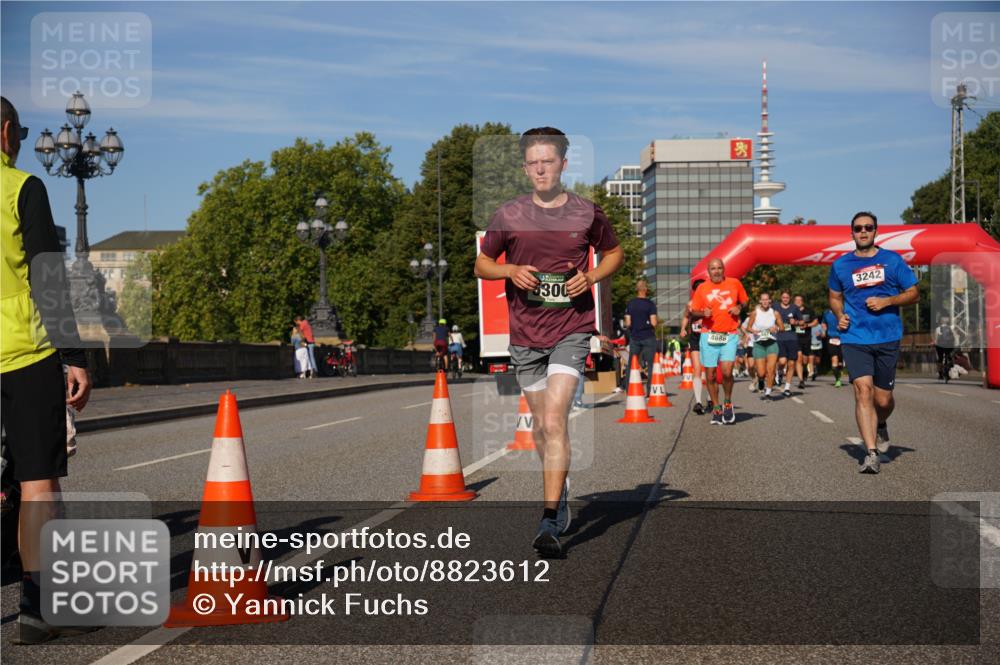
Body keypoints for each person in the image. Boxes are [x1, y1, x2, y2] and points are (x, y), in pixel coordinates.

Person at [475, 127, 623, 557]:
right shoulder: (508, 214)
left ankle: (548, 520)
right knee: (542, 427)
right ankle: (561, 484)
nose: (541, 169)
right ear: (525, 168)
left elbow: (615, 253)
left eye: (549, 161)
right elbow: (482, 264)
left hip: (571, 329)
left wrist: (590, 277)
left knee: (555, 421)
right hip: (525, 335)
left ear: (563, 164)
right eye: (534, 162)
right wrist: (509, 271)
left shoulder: (586, 213)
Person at [1, 97, 94, 644]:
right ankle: (37, 609)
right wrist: (74, 356)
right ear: (6, 132)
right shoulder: (21, 187)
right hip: (23, 353)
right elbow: (47, 279)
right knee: (38, 483)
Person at [828, 211, 918, 474]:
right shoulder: (840, 265)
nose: (863, 232)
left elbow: (914, 293)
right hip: (855, 336)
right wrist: (839, 315)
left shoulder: (892, 260)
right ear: (852, 233)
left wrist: (887, 301)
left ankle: (880, 423)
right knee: (863, 390)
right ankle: (871, 453)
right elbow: (834, 297)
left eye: (868, 227)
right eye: (858, 228)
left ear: (876, 231)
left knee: (883, 400)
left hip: (887, 335)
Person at [688, 258, 748, 425]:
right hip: (708, 335)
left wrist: (739, 307)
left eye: (719, 268)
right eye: (713, 269)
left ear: (723, 269)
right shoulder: (702, 288)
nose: (716, 271)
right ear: (708, 272)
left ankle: (727, 402)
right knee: (710, 375)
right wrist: (703, 314)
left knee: (727, 372)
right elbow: (693, 312)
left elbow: (745, 301)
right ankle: (716, 408)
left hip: (729, 334)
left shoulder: (734, 283)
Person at [744, 292, 783, 400]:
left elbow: (782, 328)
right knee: (761, 372)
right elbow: (748, 327)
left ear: (770, 301)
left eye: (767, 299)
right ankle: (760, 379)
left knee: (771, 370)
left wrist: (776, 328)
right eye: (763, 300)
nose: (765, 302)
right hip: (759, 344)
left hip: (772, 343)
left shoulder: (775, 313)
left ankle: (768, 393)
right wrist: (754, 331)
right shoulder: (755, 313)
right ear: (760, 301)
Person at [679, 279, 709, 414]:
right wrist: (683, 329)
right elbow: (686, 317)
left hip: (708, 336)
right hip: (695, 337)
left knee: (709, 369)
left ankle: (710, 399)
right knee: (697, 368)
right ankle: (698, 402)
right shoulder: (690, 304)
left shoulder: (710, 302)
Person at [624, 279, 658, 396]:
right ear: (645, 290)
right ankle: (650, 391)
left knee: (632, 364)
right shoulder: (650, 304)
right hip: (648, 336)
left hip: (635, 337)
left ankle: (629, 390)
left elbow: (628, 323)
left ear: (637, 290)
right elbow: (654, 323)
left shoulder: (630, 304)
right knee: (651, 364)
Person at [774, 291, 800, 396]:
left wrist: (796, 322)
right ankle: (779, 372)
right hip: (780, 338)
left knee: (792, 363)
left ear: (790, 298)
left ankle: (787, 387)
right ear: (781, 298)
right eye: (783, 297)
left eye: (787, 297)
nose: (785, 299)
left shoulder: (794, 308)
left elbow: (802, 322)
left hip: (792, 338)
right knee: (782, 361)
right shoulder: (775, 306)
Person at [791, 295, 817, 390]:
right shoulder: (791, 311)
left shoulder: (809, 311)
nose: (798, 301)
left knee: (805, 360)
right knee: (799, 358)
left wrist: (807, 325)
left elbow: (815, 322)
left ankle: (805, 370)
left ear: (802, 301)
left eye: (800, 300)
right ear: (794, 301)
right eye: (796, 300)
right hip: (795, 337)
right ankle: (801, 380)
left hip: (806, 338)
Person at [821, 308, 845, 387]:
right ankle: (837, 379)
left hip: (842, 337)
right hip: (831, 337)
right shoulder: (826, 312)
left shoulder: (843, 311)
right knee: (834, 361)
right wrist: (824, 330)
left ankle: (840, 367)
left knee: (840, 362)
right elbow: (823, 323)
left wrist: (843, 326)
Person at [932, 315, 956, 381]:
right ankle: (950, 365)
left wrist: (934, 344)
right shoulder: (951, 328)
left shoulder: (938, 329)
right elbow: (955, 337)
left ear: (940, 322)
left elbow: (936, 340)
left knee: (940, 359)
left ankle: (940, 374)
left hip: (940, 346)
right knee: (949, 356)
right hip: (949, 345)